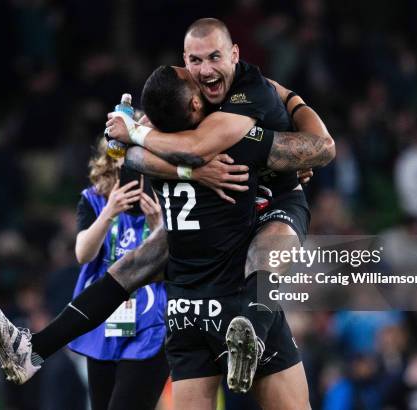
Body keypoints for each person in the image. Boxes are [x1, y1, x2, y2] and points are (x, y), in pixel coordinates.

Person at [0, 63, 333, 410]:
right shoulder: (235, 135)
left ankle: (36, 348)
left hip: (183, 304)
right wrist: (291, 101)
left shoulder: (152, 146)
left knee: (136, 263)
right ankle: (254, 333)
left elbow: (131, 153)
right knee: (268, 248)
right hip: (234, 295)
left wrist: (147, 142)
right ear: (195, 104)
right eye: (191, 70)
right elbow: (321, 148)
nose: (199, 73)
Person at [106, 17, 321, 395]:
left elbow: (322, 149)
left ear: (234, 55)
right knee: (142, 260)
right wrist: (191, 171)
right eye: (196, 61)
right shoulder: (177, 105)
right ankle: (37, 347)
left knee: (144, 262)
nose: (205, 70)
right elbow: (138, 152)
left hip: (202, 290)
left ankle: (38, 347)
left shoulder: (248, 97)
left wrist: (292, 102)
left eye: (215, 58)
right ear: (184, 64)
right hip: (219, 285)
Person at [70, 137, 168, 410]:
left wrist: (160, 228)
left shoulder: (168, 197)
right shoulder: (95, 199)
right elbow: (83, 254)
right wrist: (109, 213)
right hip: (104, 323)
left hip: (151, 322)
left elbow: (180, 263)